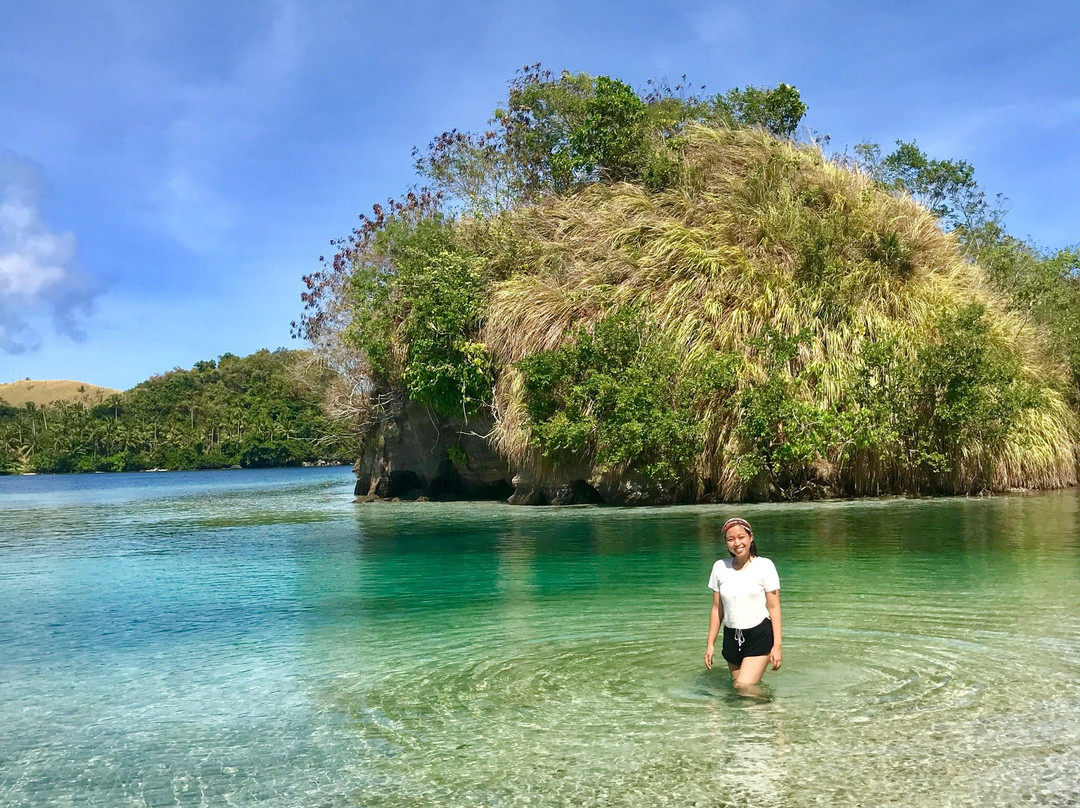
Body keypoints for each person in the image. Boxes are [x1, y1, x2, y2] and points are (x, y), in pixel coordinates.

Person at [704, 516, 782, 690]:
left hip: (759, 634)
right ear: (726, 542)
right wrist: (710, 644)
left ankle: (775, 713)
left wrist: (777, 645)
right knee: (741, 690)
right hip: (731, 636)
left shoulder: (765, 566)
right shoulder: (719, 567)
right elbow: (717, 608)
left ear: (751, 537)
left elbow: (774, 607)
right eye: (730, 539)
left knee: (743, 686)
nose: (736, 543)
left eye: (741, 537)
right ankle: (763, 711)